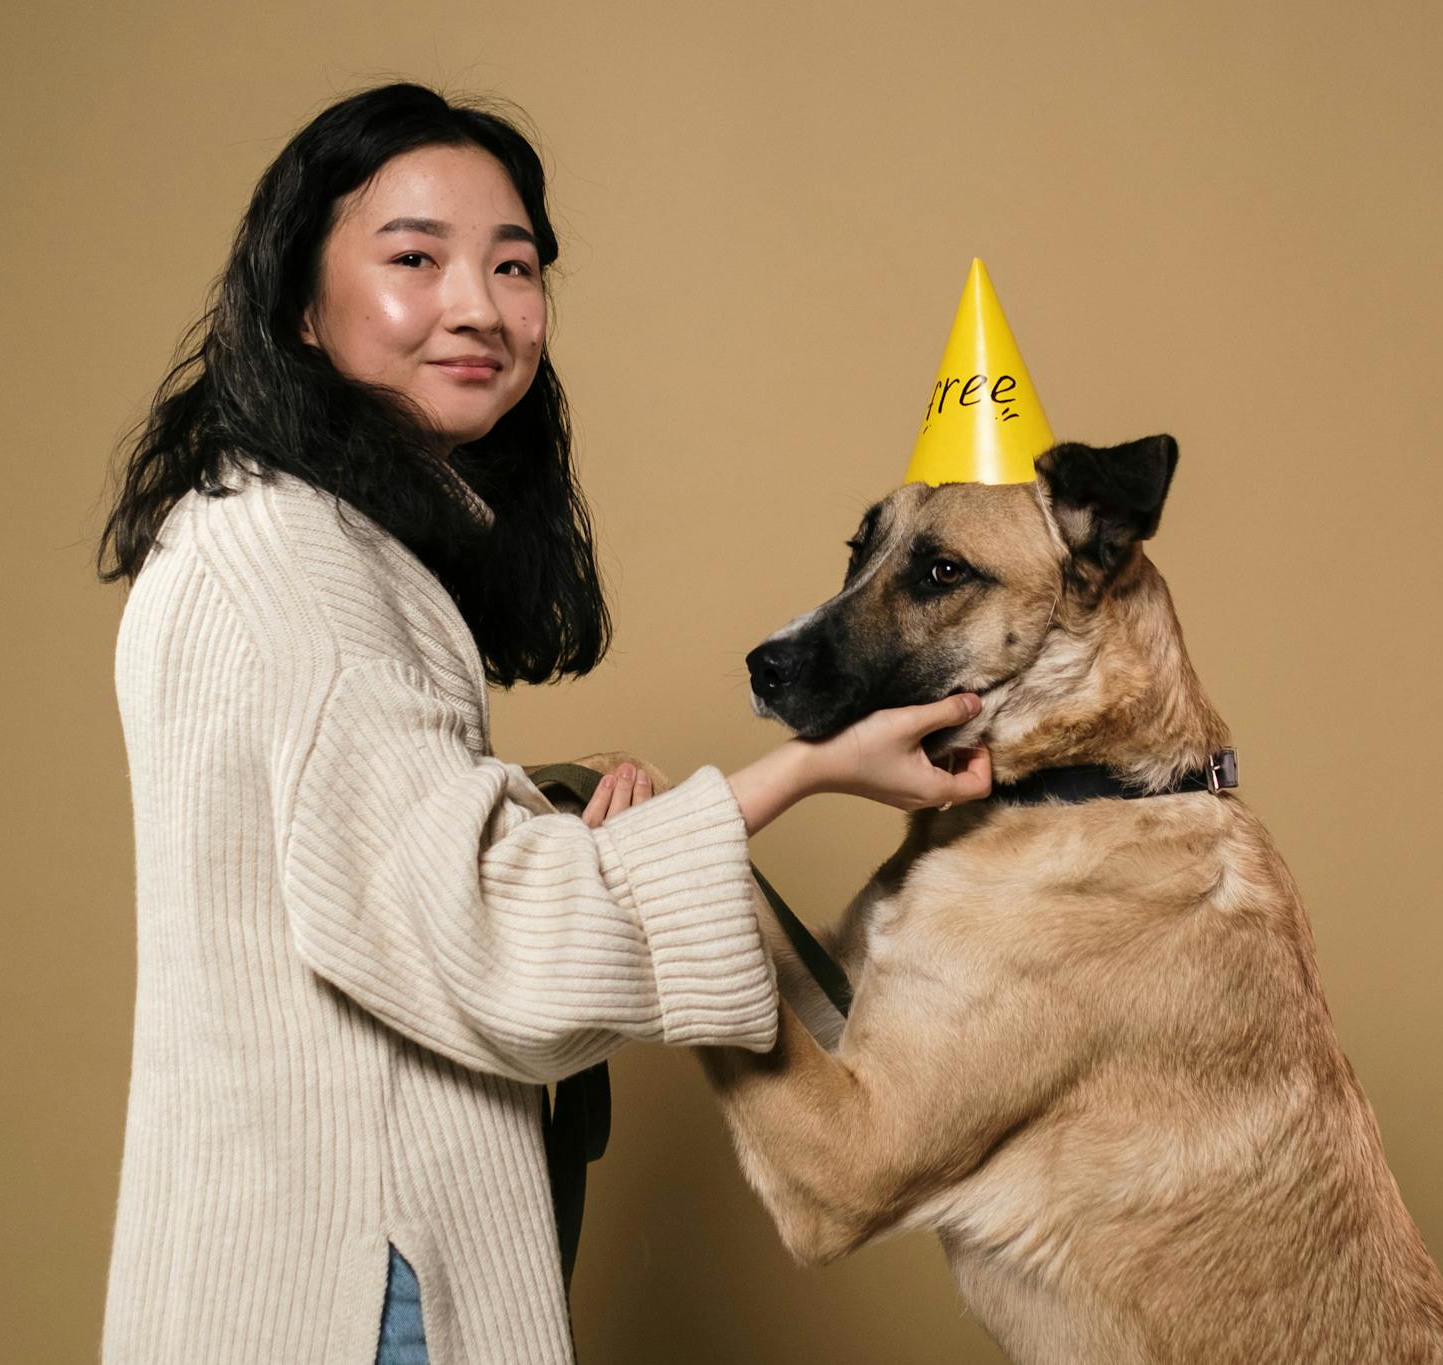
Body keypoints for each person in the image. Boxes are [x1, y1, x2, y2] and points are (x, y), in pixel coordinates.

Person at [95, 82, 991, 1365]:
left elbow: (354, 874)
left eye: (512, 266)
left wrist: (550, 811)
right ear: (300, 302)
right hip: (361, 1287)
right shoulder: (293, 558)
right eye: (415, 258)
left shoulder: (276, 534)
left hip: (331, 1258)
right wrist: (805, 772)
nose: (479, 306)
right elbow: (485, 950)